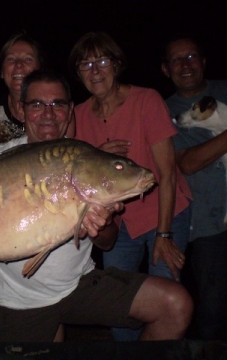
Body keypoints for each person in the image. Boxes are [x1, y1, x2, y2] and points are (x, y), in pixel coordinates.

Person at [0, 69, 193, 342]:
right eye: (37, 104)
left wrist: (99, 225)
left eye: (58, 104)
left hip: (79, 284)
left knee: (175, 304)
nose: (48, 113)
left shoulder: (85, 159)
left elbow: (107, 242)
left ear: (69, 110)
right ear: (21, 109)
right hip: (20, 299)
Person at [69, 31, 192, 341]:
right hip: (120, 222)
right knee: (120, 311)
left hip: (166, 212)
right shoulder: (79, 115)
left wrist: (164, 234)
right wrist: (98, 154)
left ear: (117, 64)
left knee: (167, 298)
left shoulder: (145, 100)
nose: (95, 71)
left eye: (102, 61)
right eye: (85, 64)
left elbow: (167, 173)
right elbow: (78, 170)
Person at [161, 34, 227, 341]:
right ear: (165, 69)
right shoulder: (163, 111)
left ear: (203, 61)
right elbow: (186, 162)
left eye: (191, 57)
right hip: (206, 224)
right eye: (177, 59)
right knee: (212, 311)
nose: (185, 65)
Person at [0, 31, 75, 138]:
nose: (18, 64)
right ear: (1, 71)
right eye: (11, 59)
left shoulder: (58, 112)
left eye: (27, 59)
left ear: (40, 69)